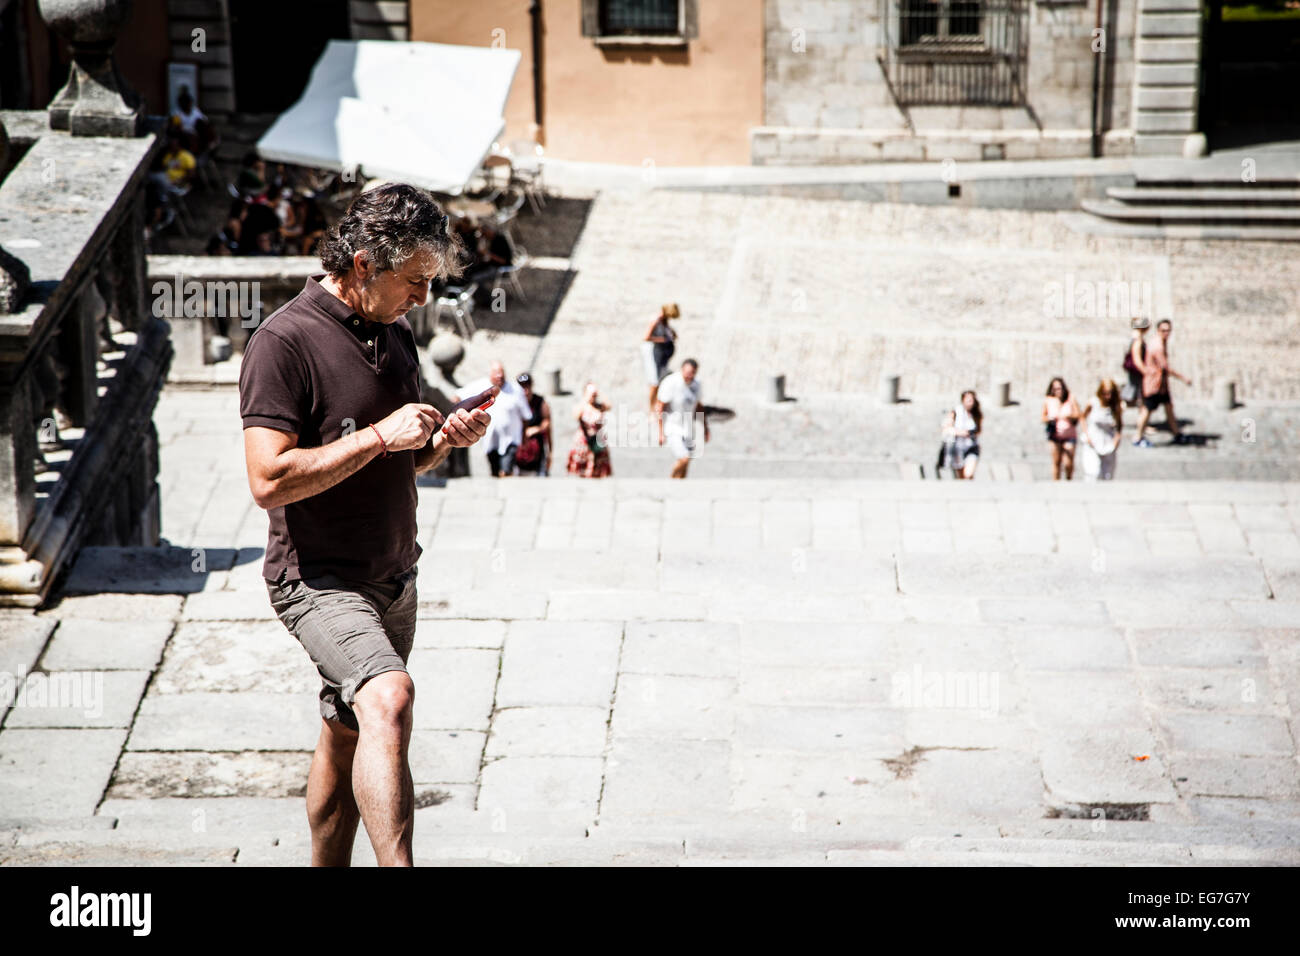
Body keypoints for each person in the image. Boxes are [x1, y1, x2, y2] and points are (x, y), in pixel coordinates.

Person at [239, 184, 487, 867]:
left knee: (346, 729)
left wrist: (442, 441)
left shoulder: (394, 330)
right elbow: (268, 480)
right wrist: (380, 436)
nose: (423, 299)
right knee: (389, 698)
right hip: (317, 579)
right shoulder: (283, 343)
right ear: (361, 265)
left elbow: (403, 462)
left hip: (392, 576)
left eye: (429, 283)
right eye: (414, 282)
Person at [456, 361, 530, 476]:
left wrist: (524, 436)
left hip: (511, 439)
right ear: (490, 374)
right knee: (495, 471)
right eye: (496, 372)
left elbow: (526, 416)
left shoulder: (516, 390)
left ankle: (506, 485)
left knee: (506, 469)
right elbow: (459, 395)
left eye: (501, 372)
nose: (499, 375)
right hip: (490, 439)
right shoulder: (481, 387)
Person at [1133, 318, 1192, 447]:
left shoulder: (1159, 341)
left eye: (1168, 330)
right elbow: (1166, 368)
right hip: (1154, 385)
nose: (1166, 333)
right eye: (1163, 330)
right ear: (1158, 330)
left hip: (1161, 384)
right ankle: (1138, 437)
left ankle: (1176, 433)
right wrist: (1183, 378)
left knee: (1169, 407)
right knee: (1147, 410)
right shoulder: (1157, 346)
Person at [656, 358, 708, 479]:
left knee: (687, 459)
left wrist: (705, 427)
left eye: (692, 373)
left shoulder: (697, 384)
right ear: (682, 370)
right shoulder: (671, 382)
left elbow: (699, 406)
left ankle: (679, 488)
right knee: (683, 458)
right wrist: (661, 432)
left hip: (688, 427)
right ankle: (670, 482)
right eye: (687, 372)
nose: (689, 376)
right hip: (673, 426)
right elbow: (660, 407)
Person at [566, 382, 612, 478]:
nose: (593, 396)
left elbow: (609, 405)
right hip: (584, 441)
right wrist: (586, 398)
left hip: (598, 441)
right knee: (582, 470)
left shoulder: (599, 407)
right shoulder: (582, 406)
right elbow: (575, 415)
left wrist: (599, 393)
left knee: (598, 470)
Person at [1080, 379, 1123, 480]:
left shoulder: (1116, 405)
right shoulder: (1093, 402)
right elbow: (1082, 417)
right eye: (1105, 393)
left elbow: (1119, 424)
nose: (1108, 396)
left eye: (1110, 393)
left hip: (1108, 441)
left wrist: (1117, 438)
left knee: (1107, 474)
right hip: (1093, 440)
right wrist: (1086, 434)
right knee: (1093, 472)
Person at [1042, 376, 1081, 480]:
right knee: (1056, 461)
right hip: (1055, 434)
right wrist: (1049, 419)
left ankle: (1068, 480)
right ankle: (1056, 485)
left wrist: (1069, 416)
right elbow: (1043, 417)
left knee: (1068, 462)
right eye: (1054, 389)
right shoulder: (1049, 400)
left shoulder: (1071, 398)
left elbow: (1078, 414)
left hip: (1069, 435)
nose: (1057, 391)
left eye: (1059, 388)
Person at [642, 304, 679, 411]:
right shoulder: (656, 320)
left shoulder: (664, 320)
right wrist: (663, 339)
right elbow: (646, 337)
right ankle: (651, 408)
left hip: (661, 355)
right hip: (653, 354)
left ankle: (657, 405)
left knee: (660, 379)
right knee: (654, 381)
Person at [514, 372, 551, 477]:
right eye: (522, 386)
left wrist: (537, 429)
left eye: (527, 385)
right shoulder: (514, 402)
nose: (525, 390)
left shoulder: (540, 402)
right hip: (519, 448)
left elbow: (547, 422)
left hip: (537, 448)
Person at [945, 390, 981, 480]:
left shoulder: (976, 414)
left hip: (972, 447)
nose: (971, 402)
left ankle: (971, 486)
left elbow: (979, 430)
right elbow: (947, 428)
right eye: (969, 400)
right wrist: (963, 433)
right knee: (961, 477)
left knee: (968, 474)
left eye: (972, 400)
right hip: (957, 448)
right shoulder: (955, 412)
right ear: (963, 400)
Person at [1121, 316, 1148, 411]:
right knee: (1131, 397)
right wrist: (1146, 372)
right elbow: (1137, 360)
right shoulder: (1138, 340)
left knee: (1139, 397)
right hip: (1137, 373)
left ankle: (1142, 422)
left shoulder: (1134, 337)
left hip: (1136, 372)